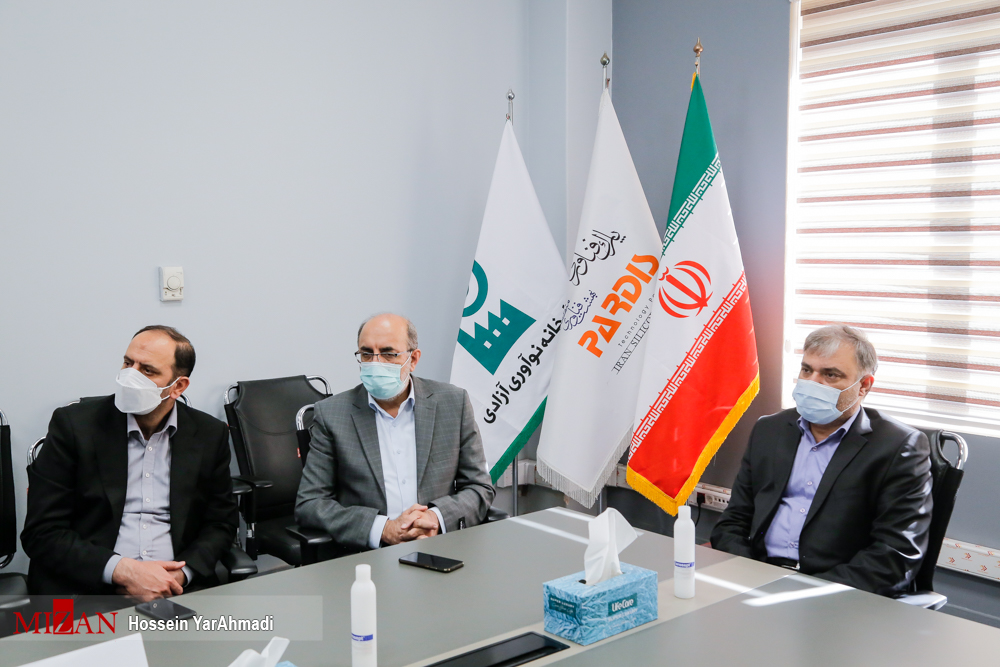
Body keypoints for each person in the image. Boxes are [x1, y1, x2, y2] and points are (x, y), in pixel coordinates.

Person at [711, 325, 933, 596]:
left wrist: (801, 594)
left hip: (835, 592)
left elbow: (894, 557)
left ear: (863, 386)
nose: (812, 382)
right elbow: (733, 521)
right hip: (757, 577)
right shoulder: (769, 430)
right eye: (807, 370)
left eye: (830, 374)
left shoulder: (898, 447)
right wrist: (749, 576)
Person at [21, 326, 237, 600]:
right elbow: (42, 532)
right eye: (127, 363)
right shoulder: (74, 426)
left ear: (178, 387)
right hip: (89, 587)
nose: (130, 376)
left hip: (177, 588)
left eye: (147, 370)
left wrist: (179, 575)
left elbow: (221, 524)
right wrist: (123, 571)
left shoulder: (209, 434)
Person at [295, 313, 494, 551]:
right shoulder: (332, 414)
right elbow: (310, 503)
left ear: (413, 359)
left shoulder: (453, 403)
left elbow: (479, 487)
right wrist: (384, 529)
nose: (376, 363)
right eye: (367, 354)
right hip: (368, 556)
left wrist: (435, 519)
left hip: (440, 547)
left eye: (388, 353)